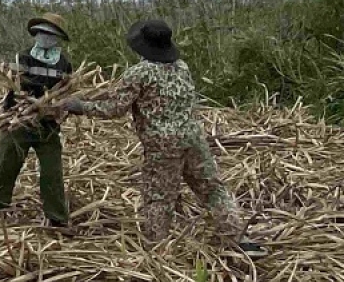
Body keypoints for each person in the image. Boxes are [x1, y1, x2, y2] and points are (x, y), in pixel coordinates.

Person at [63, 19, 265, 255]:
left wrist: (79, 106)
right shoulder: (182, 67)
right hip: (193, 139)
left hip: (163, 146)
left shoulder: (139, 73)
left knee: (159, 199)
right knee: (212, 190)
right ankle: (238, 239)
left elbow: (113, 109)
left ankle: (155, 252)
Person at [0, 13, 73, 227]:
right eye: (41, 33)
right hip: (19, 122)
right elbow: (17, 86)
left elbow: (66, 90)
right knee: (6, 165)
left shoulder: (64, 63)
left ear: (57, 38)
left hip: (48, 126)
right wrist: (34, 102)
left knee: (52, 173)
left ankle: (57, 218)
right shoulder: (23, 57)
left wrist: (55, 107)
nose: (44, 37)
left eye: (49, 34)